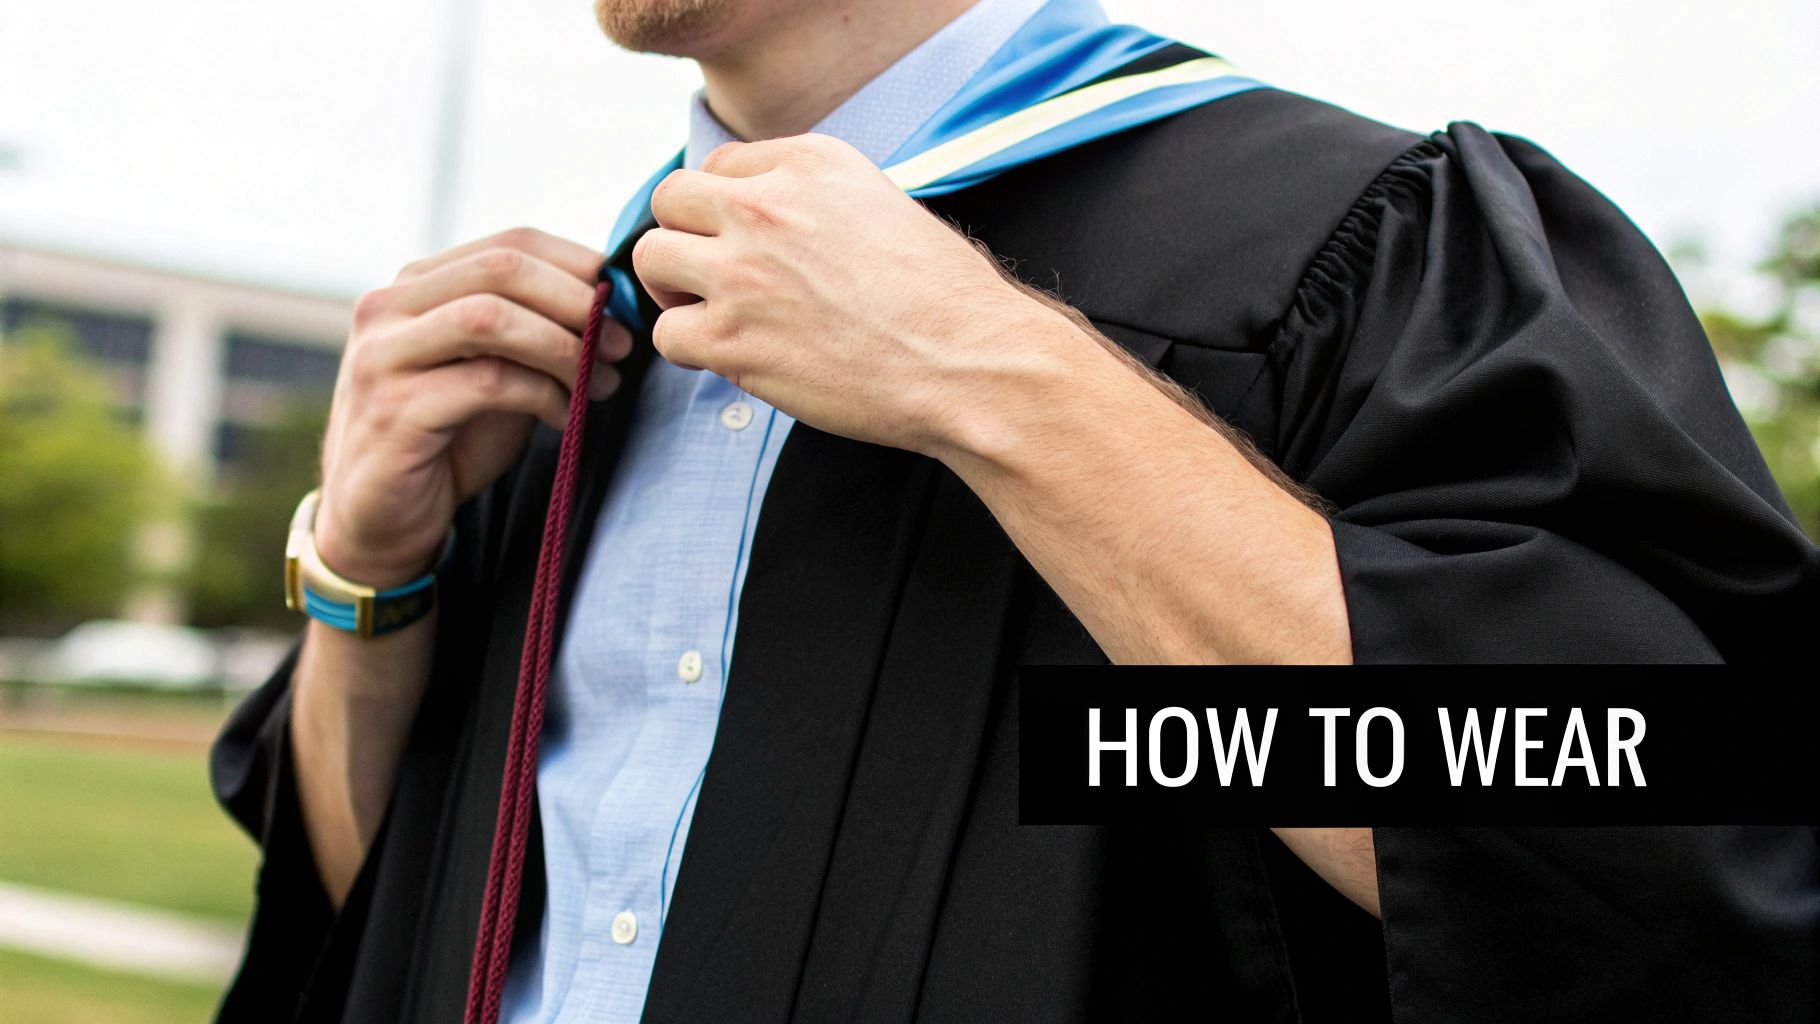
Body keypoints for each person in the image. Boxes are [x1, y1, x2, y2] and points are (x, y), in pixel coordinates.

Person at [212, 0, 1820, 1020]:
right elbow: (383, 914)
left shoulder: (1356, 250)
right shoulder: (579, 351)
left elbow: (1646, 853)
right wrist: (369, 568)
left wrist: (998, 380)